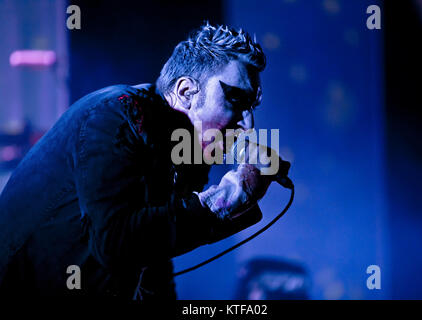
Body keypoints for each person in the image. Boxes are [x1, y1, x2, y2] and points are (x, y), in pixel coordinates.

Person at [0, 24, 272, 299]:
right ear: (187, 91)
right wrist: (227, 197)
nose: (247, 123)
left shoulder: (179, 147)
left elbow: (153, 254)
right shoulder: (116, 116)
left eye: (251, 107)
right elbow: (116, 242)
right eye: (235, 99)